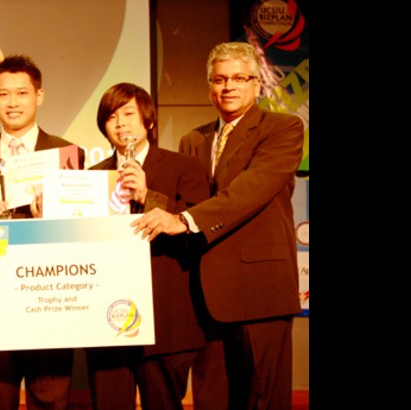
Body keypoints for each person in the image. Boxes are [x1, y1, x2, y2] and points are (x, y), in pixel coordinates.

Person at [130, 41, 304, 410]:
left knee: (264, 398)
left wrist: (182, 219)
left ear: (257, 84)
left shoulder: (283, 128)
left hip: (259, 289)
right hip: (204, 295)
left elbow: (248, 192)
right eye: (220, 79)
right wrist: (150, 197)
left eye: (240, 78)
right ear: (209, 86)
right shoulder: (194, 139)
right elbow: (188, 205)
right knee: (213, 399)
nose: (229, 87)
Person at [0, 54, 84, 410]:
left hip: (48, 298)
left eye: (22, 93)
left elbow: (82, 231)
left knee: (50, 400)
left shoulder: (68, 154)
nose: (13, 103)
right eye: (3, 95)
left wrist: (56, 213)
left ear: (39, 96)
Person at [84, 83, 209, 410]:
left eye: (128, 113)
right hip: (105, 317)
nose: (120, 123)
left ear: (149, 121)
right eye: (111, 116)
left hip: (165, 317)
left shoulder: (184, 167)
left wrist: (147, 195)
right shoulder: (92, 176)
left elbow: (200, 231)